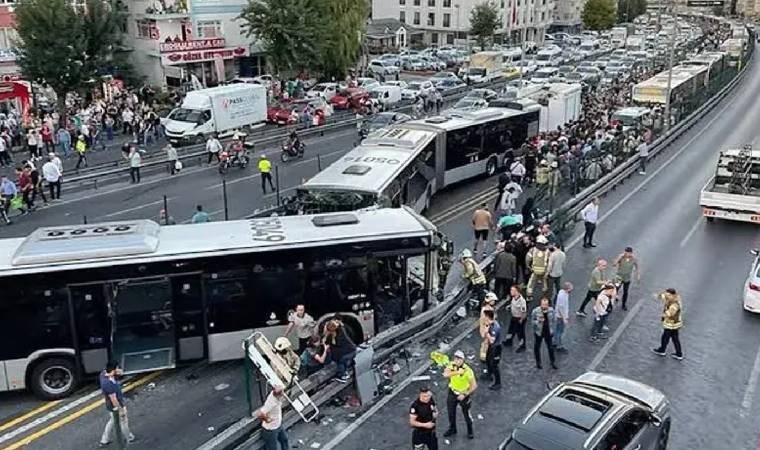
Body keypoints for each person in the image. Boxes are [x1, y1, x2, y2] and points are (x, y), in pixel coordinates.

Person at [99, 361, 135, 447]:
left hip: (110, 406)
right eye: (118, 368)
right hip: (115, 406)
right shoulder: (108, 384)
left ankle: (104, 439)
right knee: (123, 422)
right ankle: (129, 437)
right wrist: (121, 410)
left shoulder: (103, 374)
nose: (119, 369)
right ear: (113, 370)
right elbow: (114, 399)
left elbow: (115, 372)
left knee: (112, 421)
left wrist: (118, 372)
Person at [442, 350, 477, 439]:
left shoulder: (468, 371)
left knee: (466, 414)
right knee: (451, 412)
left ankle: (470, 430)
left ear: (463, 360)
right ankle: (452, 428)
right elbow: (445, 374)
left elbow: (474, 386)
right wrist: (457, 372)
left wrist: (465, 394)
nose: (457, 361)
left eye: (459, 359)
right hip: (452, 392)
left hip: (463, 394)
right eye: (456, 358)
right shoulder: (451, 365)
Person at [652, 288, 684, 360]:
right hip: (676, 323)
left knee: (665, 337)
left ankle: (662, 350)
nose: (667, 296)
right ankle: (679, 354)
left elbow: (671, 313)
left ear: (672, 295)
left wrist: (664, 315)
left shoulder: (674, 304)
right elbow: (664, 296)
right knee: (675, 338)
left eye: (668, 295)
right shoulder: (673, 297)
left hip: (671, 323)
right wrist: (658, 296)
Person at [257, 385, 289, 450]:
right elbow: (260, 413)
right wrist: (267, 419)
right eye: (281, 394)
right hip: (271, 430)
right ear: (277, 395)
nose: (283, 394)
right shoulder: (271, 402)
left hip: (278, 425)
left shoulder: (277, 396)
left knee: (284, 440)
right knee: (272, 448)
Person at [324, 318, 356, 383]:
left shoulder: (339, 337)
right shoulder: (341, 329)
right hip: (352, 350)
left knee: (341, 361)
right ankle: (345, 373)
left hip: (349, 352)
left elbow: (335, 346)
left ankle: (342, 376)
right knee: (344, 361)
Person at [531, 298, 558, 370]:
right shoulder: (536, 311)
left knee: (550, 347)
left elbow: (554, 320)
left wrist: (552, 328)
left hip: (548, 332)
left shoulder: (551, 311)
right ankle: (538, 362)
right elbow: (532, 322)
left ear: (548, 305)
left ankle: (552, 362)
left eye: (546, 304)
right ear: (540, 304)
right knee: (537, 347)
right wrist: (538, 321)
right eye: (543, 304)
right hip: (539, 332)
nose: (544, 306)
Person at [613, 246, 640, 311]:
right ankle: (610, 303)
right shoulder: (621, 257)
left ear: (631, 253)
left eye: (629, 253)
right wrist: (619, 258)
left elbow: (637, 266)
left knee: (625, 291)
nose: (627, 254)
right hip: (619, 277)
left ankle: (623, 304)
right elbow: (614, 264)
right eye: (626, 253)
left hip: (627, 278)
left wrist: (638, 274)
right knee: (615, 290)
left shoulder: (634, 259)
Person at [482, 309, 502, 390]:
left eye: (486, 318)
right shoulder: (489, 324)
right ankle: (489, 374)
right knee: (487, 360)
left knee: (495, 365)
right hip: (491, 346)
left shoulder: (495, 328)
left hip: (496, 348)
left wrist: (487, 332)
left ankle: (498, 383)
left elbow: (492, 340)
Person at [525, 235, 550, 301]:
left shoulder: (532, 250)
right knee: (544, 284)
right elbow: (549, 261)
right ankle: (544, 296)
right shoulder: (547, 251)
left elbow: (528, 259)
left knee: (531, 283)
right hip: (544, 271)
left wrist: (528, 267)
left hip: (535, 270)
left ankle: (529, 296)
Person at [504, 285, 527, 353]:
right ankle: (509, 341)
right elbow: (513, 304)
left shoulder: (522, 301)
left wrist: (521, 320)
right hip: (514, 317)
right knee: (510, 330)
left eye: (512, 290)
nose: (511, 292)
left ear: (517, 292)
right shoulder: (514, 297)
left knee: (520, 333)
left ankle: (522, 346)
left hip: (519, 318)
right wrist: (509, 306)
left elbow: (524, 312)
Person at [478, 292, 497, 366]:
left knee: (486, 342)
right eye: (493, 301)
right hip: (487, 328)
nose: (494, 302)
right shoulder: (486, 310)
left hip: (487, 328)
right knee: (486, 342)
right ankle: (483, 355)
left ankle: (484, 354)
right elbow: (487, 321)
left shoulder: (487, 308)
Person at [554, 282, 572, 353]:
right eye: (570, 288)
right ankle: (559, 345)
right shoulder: (563, 296)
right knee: (560, 331)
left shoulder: (562, 292)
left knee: (557, 330)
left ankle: (555, 342)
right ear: (567, 289)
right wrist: (564, 318)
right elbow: (560, 308)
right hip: (560, 317)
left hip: (559, 316)